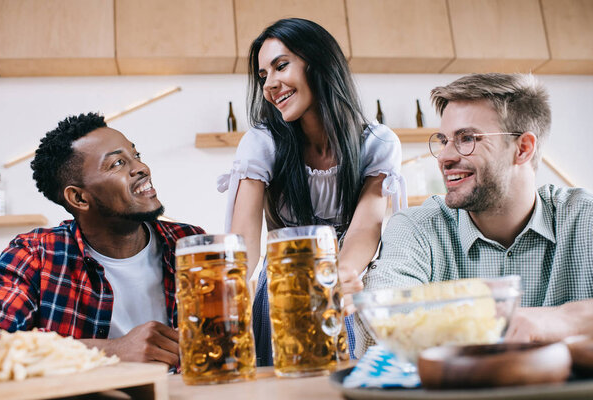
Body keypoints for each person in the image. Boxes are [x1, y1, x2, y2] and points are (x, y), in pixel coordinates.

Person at [356, 73, 593, 356]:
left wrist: (557, 320)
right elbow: (383, 324)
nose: (444, 156)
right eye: (443, 140)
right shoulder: (416, 228)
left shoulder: (584, 219)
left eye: (466, 138)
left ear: (523, 148)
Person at [217, 18, 405, 365]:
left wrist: (333, 284)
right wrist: (227, 313)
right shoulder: (262, 143)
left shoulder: (376, 143)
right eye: (262, 76)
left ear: (318, 62)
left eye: (280, 66)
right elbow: (244, 243)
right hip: (279, 294)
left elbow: (365, 230)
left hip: (340, 289)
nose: (270, 85)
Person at [0, 113, 205, 367]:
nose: (141, 168)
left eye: (135, 156)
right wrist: (111, 352)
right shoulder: (35, 255)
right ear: (79, 199)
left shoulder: (190, 242)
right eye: (117, 163)